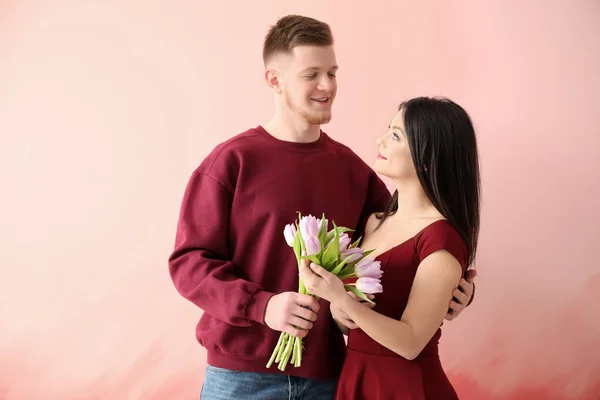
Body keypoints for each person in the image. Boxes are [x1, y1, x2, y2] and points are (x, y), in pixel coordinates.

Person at [168, 15, 476, 400]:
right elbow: (188, 262)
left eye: (332, 72)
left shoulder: (352, 170)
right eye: (311, 74)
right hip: (241, 380)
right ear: (274, 80)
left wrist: (455, 288)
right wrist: (262, 307)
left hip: (331, 379)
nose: (327, 86)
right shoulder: (231, 161)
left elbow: (403, 244)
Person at [299, 96, 481, 399]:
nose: (380, 141)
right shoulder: (372, 222)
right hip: (357, 379)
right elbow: (358, 322)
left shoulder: (441, 241)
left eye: (395, 135)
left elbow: (410, 344)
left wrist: (340, 299)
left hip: (407, 388)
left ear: (427, 158)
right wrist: (339, 311)